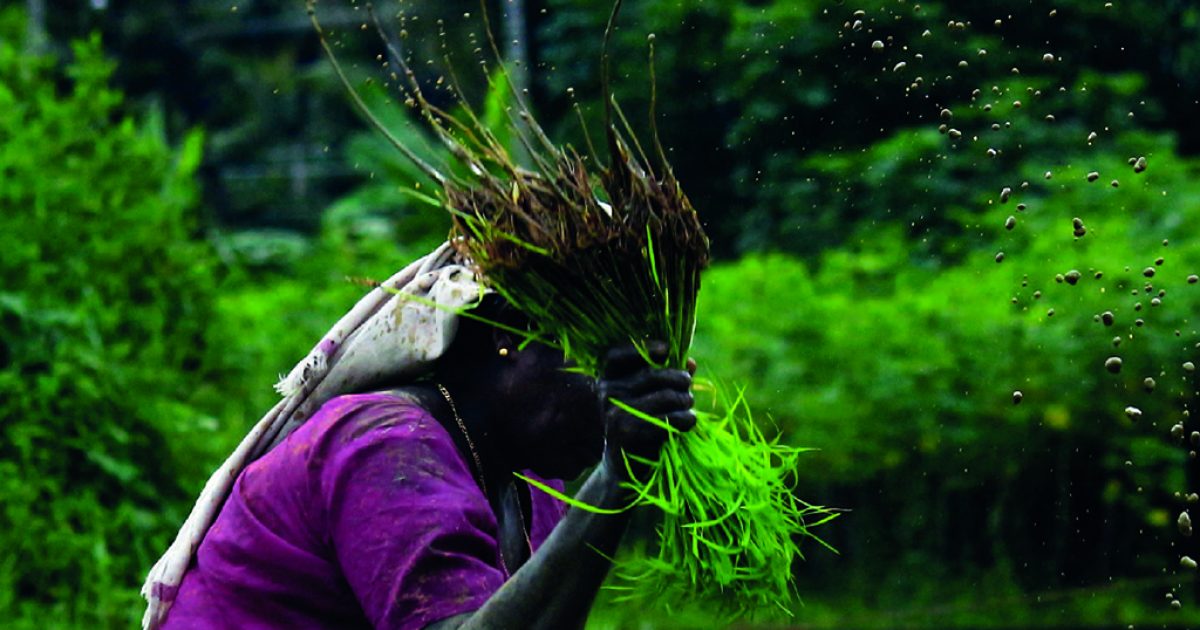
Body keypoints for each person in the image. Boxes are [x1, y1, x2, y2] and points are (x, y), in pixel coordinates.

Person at [142, 243, 696, 629]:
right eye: (605, 373)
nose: (609, 407)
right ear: (511, 339)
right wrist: (613, 482)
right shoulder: (388, 448)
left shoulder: (531, 488)